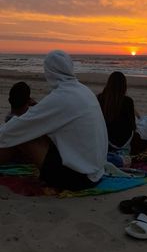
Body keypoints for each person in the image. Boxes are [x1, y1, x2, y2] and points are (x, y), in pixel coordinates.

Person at [0, 50, 108, 190]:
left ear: (49, 72)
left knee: (19, 133)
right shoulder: (83, 90)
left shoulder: (61, 97)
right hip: (96, 172)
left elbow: (17, 127)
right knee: (30, 130)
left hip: (78, 178)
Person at [97, 71, 147, 155]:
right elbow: (132, 126)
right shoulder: (128, 101)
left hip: (107, 139)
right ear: (124, 85)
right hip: (125, 141)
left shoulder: (100, 98)